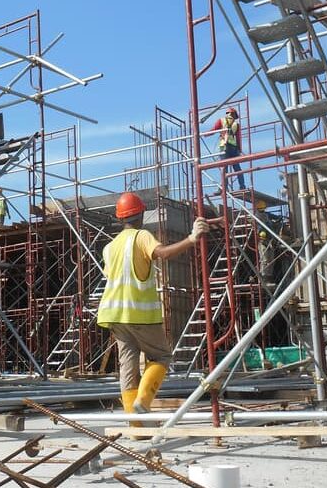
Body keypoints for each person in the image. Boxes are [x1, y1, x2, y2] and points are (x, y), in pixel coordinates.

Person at [97, 192, 209, 425]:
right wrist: (191, 238)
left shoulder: (109, 248)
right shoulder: (141, 236)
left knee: (128, 367)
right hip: (140, 313)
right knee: (161, 355)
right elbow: (162, 254)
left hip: (113, 316)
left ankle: (135, 426)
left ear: (120, 217)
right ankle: (144, 401)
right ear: (140, 214)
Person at [211, 107, 246, 192]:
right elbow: (238, 138)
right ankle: (242, 186)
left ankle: (223, 188)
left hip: (224, 146)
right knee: (237, 168)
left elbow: (213, 130)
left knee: (224, 168)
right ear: (235, 115)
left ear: (227, 113)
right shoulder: (236, 124)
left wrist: (204, 134)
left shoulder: (221, 120)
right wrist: (239, 149)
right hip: (234, 147)